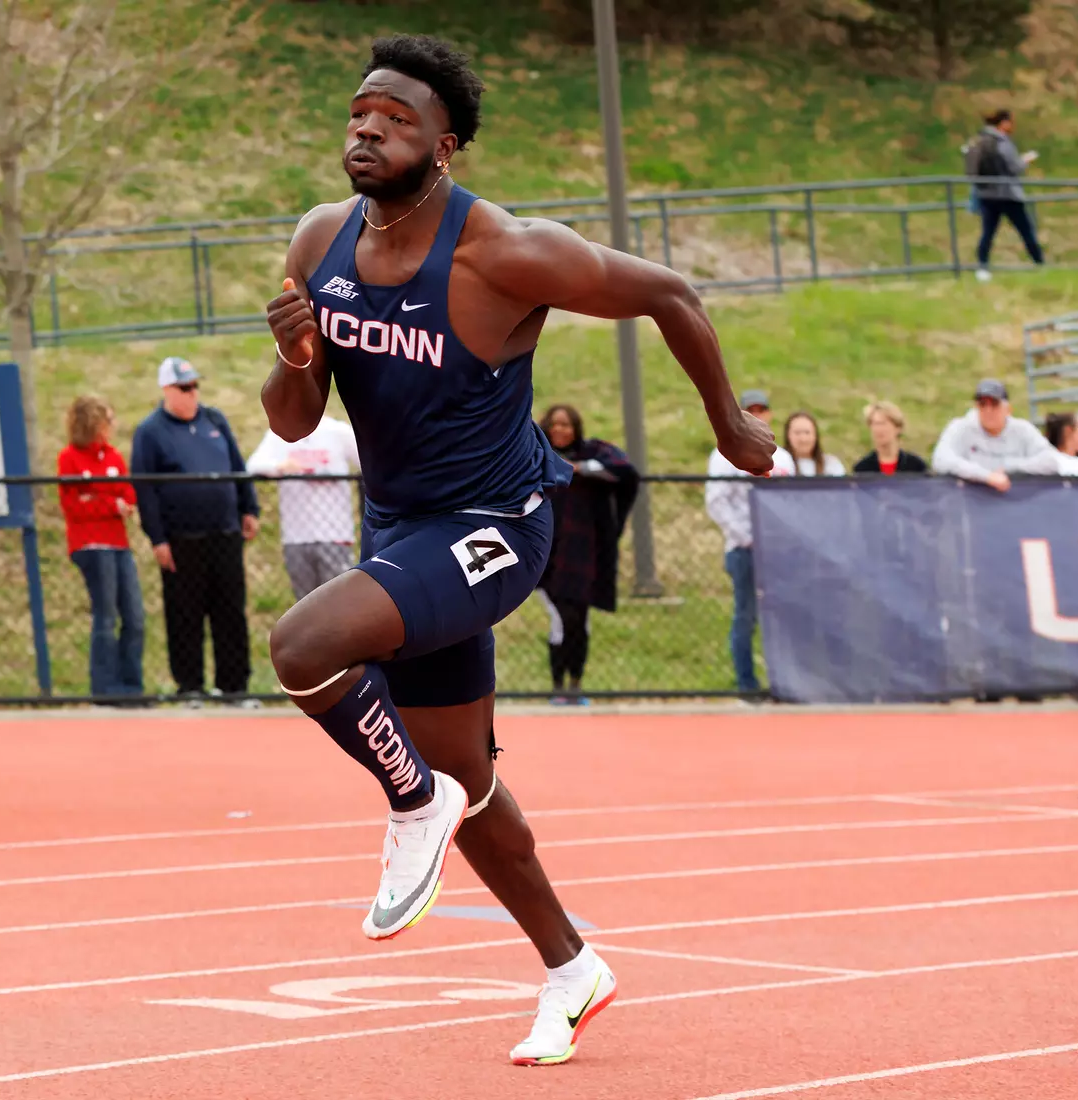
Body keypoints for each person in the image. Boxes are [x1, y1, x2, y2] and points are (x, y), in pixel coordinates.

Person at [261, 34, 775, 1064]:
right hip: (402, 528)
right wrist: (294, 353)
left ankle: (410, 803)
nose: (367, 127)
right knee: (475, 785)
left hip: (498, 525)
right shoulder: (321, 242)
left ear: (443, 145)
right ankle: (571, 964)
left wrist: (727, 423)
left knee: (303, 643)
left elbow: (669, 292)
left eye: (395, 118)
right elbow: (290, 417)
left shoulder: (503, 249)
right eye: (359, 112)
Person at [130, 356, 261, 705]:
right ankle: (190, 686)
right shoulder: (151, 431)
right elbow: (145, 490)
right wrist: (157, 538)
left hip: (224, 534)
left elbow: (237, 467)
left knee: (230, 611)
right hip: (181, 539)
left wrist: (249, 508)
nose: (192, 394)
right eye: (184, 388)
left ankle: (234, 687)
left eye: (194, 386)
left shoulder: (215, 419)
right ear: (167, 391)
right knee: (185, 614)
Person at [535, 404, 637, 706]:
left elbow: (625, 473)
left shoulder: (595, 454)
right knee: (563, 619)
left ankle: (575, 686)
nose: (560, 430)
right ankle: (558, 686)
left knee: (580, 621)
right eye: (555, 424)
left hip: (583, 557)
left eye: (567, 425)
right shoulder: (535, 456)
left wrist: (581, 469)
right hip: (546, 558)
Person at [706, 390, 795, 698]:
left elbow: (791, 501)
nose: (758, 414)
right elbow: (716, 501)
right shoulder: (723, 456)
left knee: (783, 615)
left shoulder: (782, 456)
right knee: (746, 615)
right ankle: (747, 684)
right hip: (743, 548)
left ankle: (785, 681)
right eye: (751, 409)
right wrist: (744, 535)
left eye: (763, 409)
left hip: (778, 549)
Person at [58, 395, 144, 701]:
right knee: (105, 615)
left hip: (118, 543)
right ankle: (105, 688)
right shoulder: (69, 458)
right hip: (91, 545)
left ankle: (132, 686)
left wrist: (95, 499)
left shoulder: (113, 457)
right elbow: (73, 506)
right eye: (107, 420)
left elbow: (129, 496)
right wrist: (111, 504)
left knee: (134, 617)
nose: (112, 426)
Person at [244, 414, 361, 600]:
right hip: (296, 537)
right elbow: (253, 466)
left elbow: (369, 461)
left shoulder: (337, 431)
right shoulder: (281, 435)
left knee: (340, 603)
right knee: (306, 605)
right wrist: (280, 467)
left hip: (334, 534)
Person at [931, 378, 1060, 491]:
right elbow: (941, 459)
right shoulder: (961, 427)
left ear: (1008, 410)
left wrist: (1011, 468)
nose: (988, 411)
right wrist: (986, 476)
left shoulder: (1023, 430)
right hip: (971, 503)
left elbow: (1051, 461)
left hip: (1014, 504)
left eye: (994, 404)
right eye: (982, 405)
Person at [966, 109, 1045, 282]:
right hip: (1007, 194)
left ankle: (982, 266)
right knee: (1025, 230)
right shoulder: (1003, 142)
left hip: (986, 194)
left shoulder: (979, 140)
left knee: (988, 232)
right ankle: (1039, 263)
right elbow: (1014, 168)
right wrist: (1025, 160)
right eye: (1010, 122)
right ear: (1003, 123)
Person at [852, 400, 928, 475]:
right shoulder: (862, 469)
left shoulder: (916, 466)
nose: (878, 429)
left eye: (883, 423)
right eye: (874, 424)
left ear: (898, 428)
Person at [782, 411, 844, 477]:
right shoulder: (780, 464)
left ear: (815, 435)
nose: (803, 439)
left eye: (807, 432)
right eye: (797, 433)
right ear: (787, 435)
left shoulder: (832, 465)